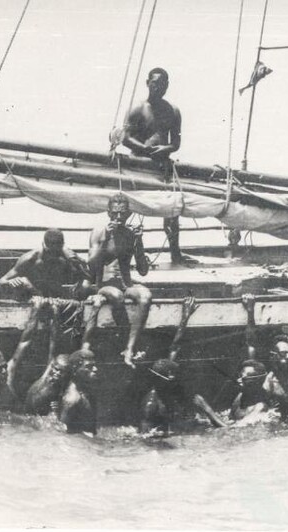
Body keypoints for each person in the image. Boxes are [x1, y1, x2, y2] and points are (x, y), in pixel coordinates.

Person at [122, 67, 192, 266]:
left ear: (167, 86)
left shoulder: (173, 111)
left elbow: (176, 143)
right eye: (154, 83)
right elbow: (124, 139)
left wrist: (166, 149)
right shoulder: (137, 109)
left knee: (171, 211)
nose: (158, 87)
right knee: (125, 209)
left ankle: (175, 253)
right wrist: (146, 150)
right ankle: (117, 252)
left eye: (162, 84)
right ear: (147, 83)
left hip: (163, 166)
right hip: (137, 165)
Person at [138, 297, 228, 434]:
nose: (180, 378)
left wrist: (185, 317)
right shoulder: (151, 405)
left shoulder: (169, 383)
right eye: (176, 376)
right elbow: (144, 438)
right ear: (169, 378)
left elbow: (175, 347)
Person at [232, 289, 288, 420]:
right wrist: (250, 310)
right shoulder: (265, 380)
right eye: (283, 354)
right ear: (273, 356)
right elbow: (251, 343)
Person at [85, 192, 152, 368]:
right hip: (104, 285)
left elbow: (143, 270)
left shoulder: (130, 234)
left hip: (126, 284)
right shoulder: (99, 231)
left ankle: (130, 348)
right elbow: (91, 264)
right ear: (108, 213)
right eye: (115, 213)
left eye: (123, 213)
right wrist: (106, 238)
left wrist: (139, 240)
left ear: (129, 214)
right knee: (116, 295)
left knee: (145, 296)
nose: (119, 217)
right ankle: (125, 343)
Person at [0, 228, 92, 300]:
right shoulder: (30, 258)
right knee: (24, 281)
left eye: (57, 252)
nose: (53, 255)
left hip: (58, 297)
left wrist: (78, 263)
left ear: (63, 245)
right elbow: (1, 281)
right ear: (43, 245)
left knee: (85, 286)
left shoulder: (68, 257)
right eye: (50, 252)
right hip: (34, 296)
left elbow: (87, 277)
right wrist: (11, 282)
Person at [59, 349, 100, 435]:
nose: (95, 369)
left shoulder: (85, 389)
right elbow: (62, 433)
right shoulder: (72, 398)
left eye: (94, 365)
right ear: (75, 369)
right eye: (89, 366)